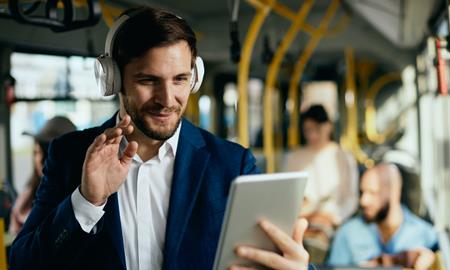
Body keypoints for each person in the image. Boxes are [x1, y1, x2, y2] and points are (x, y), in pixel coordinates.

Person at [9, 7, 310, 270]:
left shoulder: (232, 164)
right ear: (113, 78)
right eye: (148, 80)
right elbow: (24, 264)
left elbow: (276, 256)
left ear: (194, 77)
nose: (167, 99)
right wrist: (88, 201)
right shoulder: (70, 154)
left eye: (180, 79)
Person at [327, 163, 438, 269]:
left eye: (373, 193)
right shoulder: (347, 233)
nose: (363, 201)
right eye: (362, 192)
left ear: (394, 192)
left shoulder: (426, 235)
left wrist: (432, 263)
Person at [286, 105, 358, 230]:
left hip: (332, 223)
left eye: (317, 129)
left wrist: (334, 218)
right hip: (300, 221)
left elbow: (351, 198)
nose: (312, 135)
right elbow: (286, 193)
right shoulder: (293, 157)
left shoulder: (343, 156)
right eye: (308, 130)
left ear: (329, 126)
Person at [9, 116, 77, 235]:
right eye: (36, 153)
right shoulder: (30, 188)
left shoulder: (76, 196)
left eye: (45, 152)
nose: (39, 159)